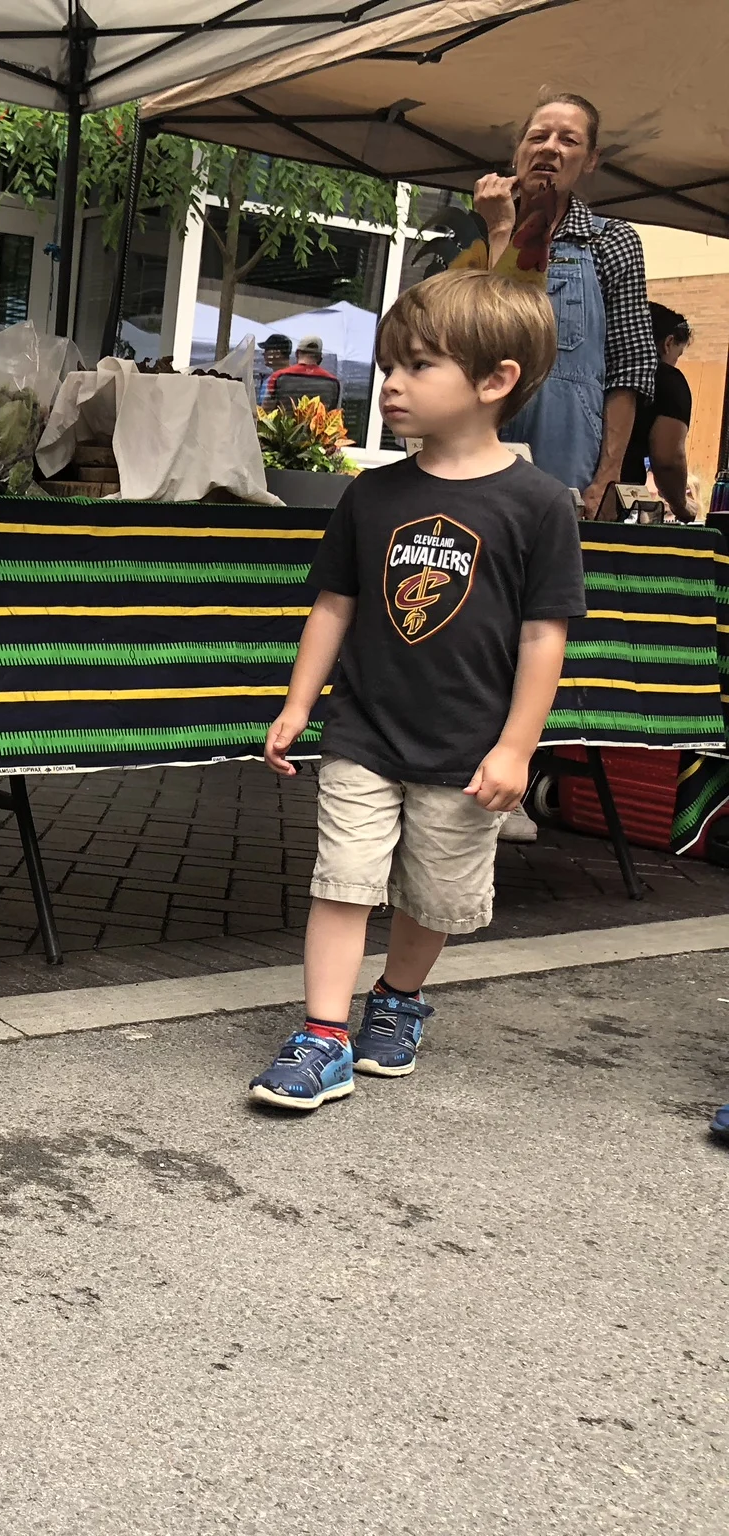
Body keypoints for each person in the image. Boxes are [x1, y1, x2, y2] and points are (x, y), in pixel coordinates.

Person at [251, 270, 581, 1111]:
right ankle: (323, 1035)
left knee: (433, 890)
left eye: (419, 365)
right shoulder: (373, 493)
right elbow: (335, 605)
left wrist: (517, 747)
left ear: (495, 381)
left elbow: (545, 635)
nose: (390, 383)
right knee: (343, 878)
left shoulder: (539, 505)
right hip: (362, 729)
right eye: (392, 363)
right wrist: (298, 703)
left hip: (467, 749)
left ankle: (397, 999)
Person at [473, 93, 654, 516]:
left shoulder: (609, 240)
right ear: (519, 150)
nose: (550, 148)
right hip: (474, 446)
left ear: (591, 159)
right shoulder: (476, 230)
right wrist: (500, 228)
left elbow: (629, 367)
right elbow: (484, 333)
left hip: (566, 460)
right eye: (538, 136)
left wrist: (607, 478)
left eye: (569, 141)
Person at [621, 303, 694, 515]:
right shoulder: (668, 380)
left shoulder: (605, 368)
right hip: (617, 494)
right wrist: (680, 505)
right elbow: (667, 458)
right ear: (669, 343)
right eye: (677, 356)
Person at [264, 334, 341, 407]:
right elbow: (335, 414)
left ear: (297, 353)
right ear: (320, 358)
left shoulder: (279, 376)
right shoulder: (333, 382)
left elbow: (265, 413)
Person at [258, 333, 293, 404]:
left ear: (277, 353)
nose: (264, 354)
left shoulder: (289, 379)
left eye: (266, 350)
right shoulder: (268, 380)